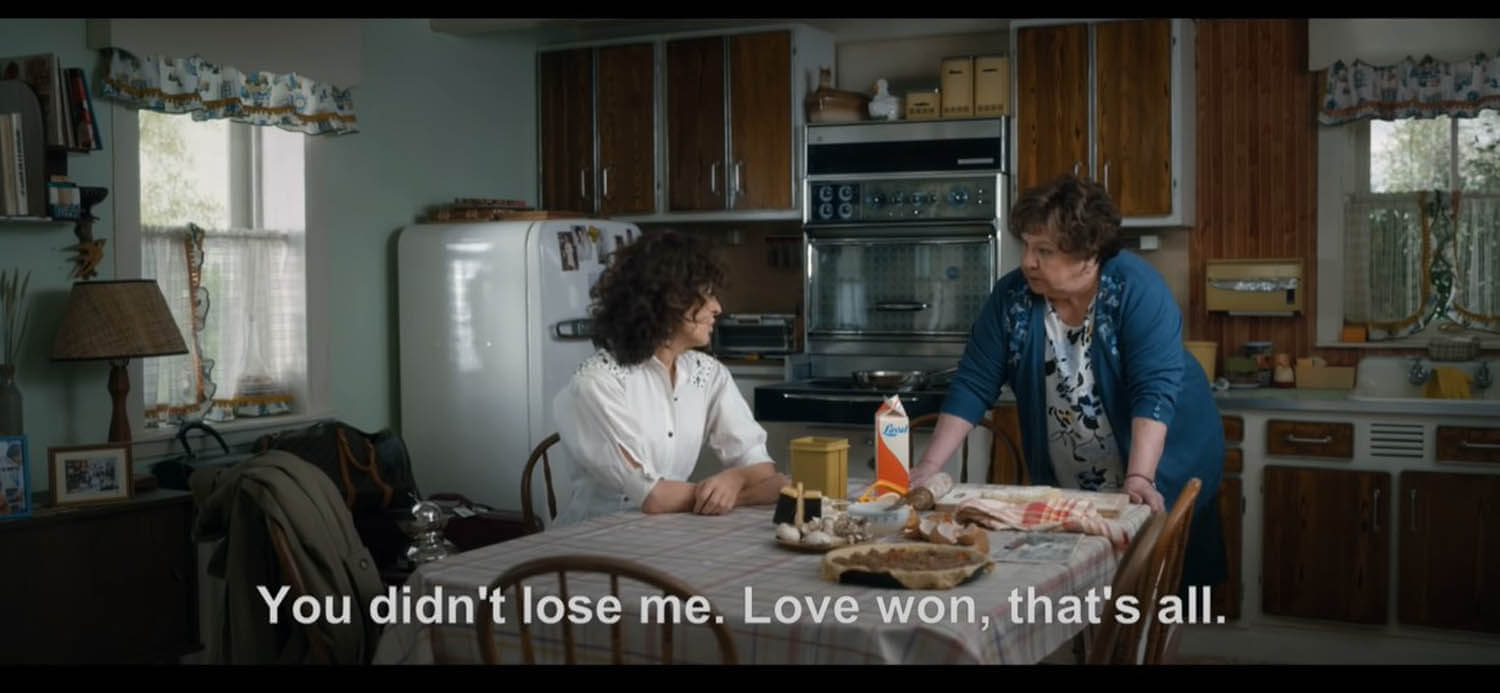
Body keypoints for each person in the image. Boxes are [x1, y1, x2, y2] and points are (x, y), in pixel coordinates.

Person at [909, 174, 1227, 592]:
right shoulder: (1012, 297)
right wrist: (929, 468)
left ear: (1088, 253)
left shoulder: (1136, 288)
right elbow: (974, 383)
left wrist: (1140, 477)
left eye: (1044, 251)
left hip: (1164, 461)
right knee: (1081, 588)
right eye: (1026, 246)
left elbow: (1153, 391)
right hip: (1075, 480)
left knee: (1158, 592)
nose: (1027, 262)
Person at [552, 229, 787, 526]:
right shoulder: (597, 383)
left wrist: (735, 479)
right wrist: (739, 496)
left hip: (671, 526)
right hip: (594, 537)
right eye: (707, 294)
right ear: (669, 301)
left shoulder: (708, 374)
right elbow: (652, 496)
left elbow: (764, 472)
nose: (718, 308)